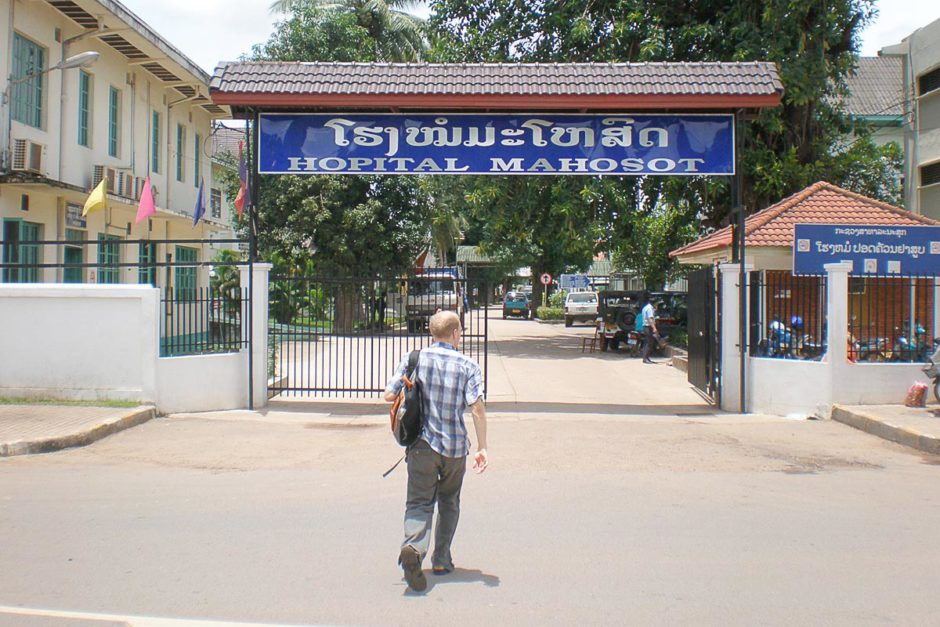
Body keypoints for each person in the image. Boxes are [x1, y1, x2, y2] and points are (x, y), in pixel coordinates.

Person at [383, 310, 488, 592]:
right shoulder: (468, 365)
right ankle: (441, 559)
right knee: (449, 501)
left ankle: (414, 549)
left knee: (419, 502)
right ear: (455, 333)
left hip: (422, 446)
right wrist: (482, 447)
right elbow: (476, 407)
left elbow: (389, 395)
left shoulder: (415, 359)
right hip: (454, 448)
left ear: (433, 333)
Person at [640, 291, 659, 364]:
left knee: (647, 342)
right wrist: (654, 328)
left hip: (645, 326)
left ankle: (646, 358)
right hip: (648, 327)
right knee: (649, 343)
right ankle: (646, 358)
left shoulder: (646, 307)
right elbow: (650, 319)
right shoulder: (650, 308)